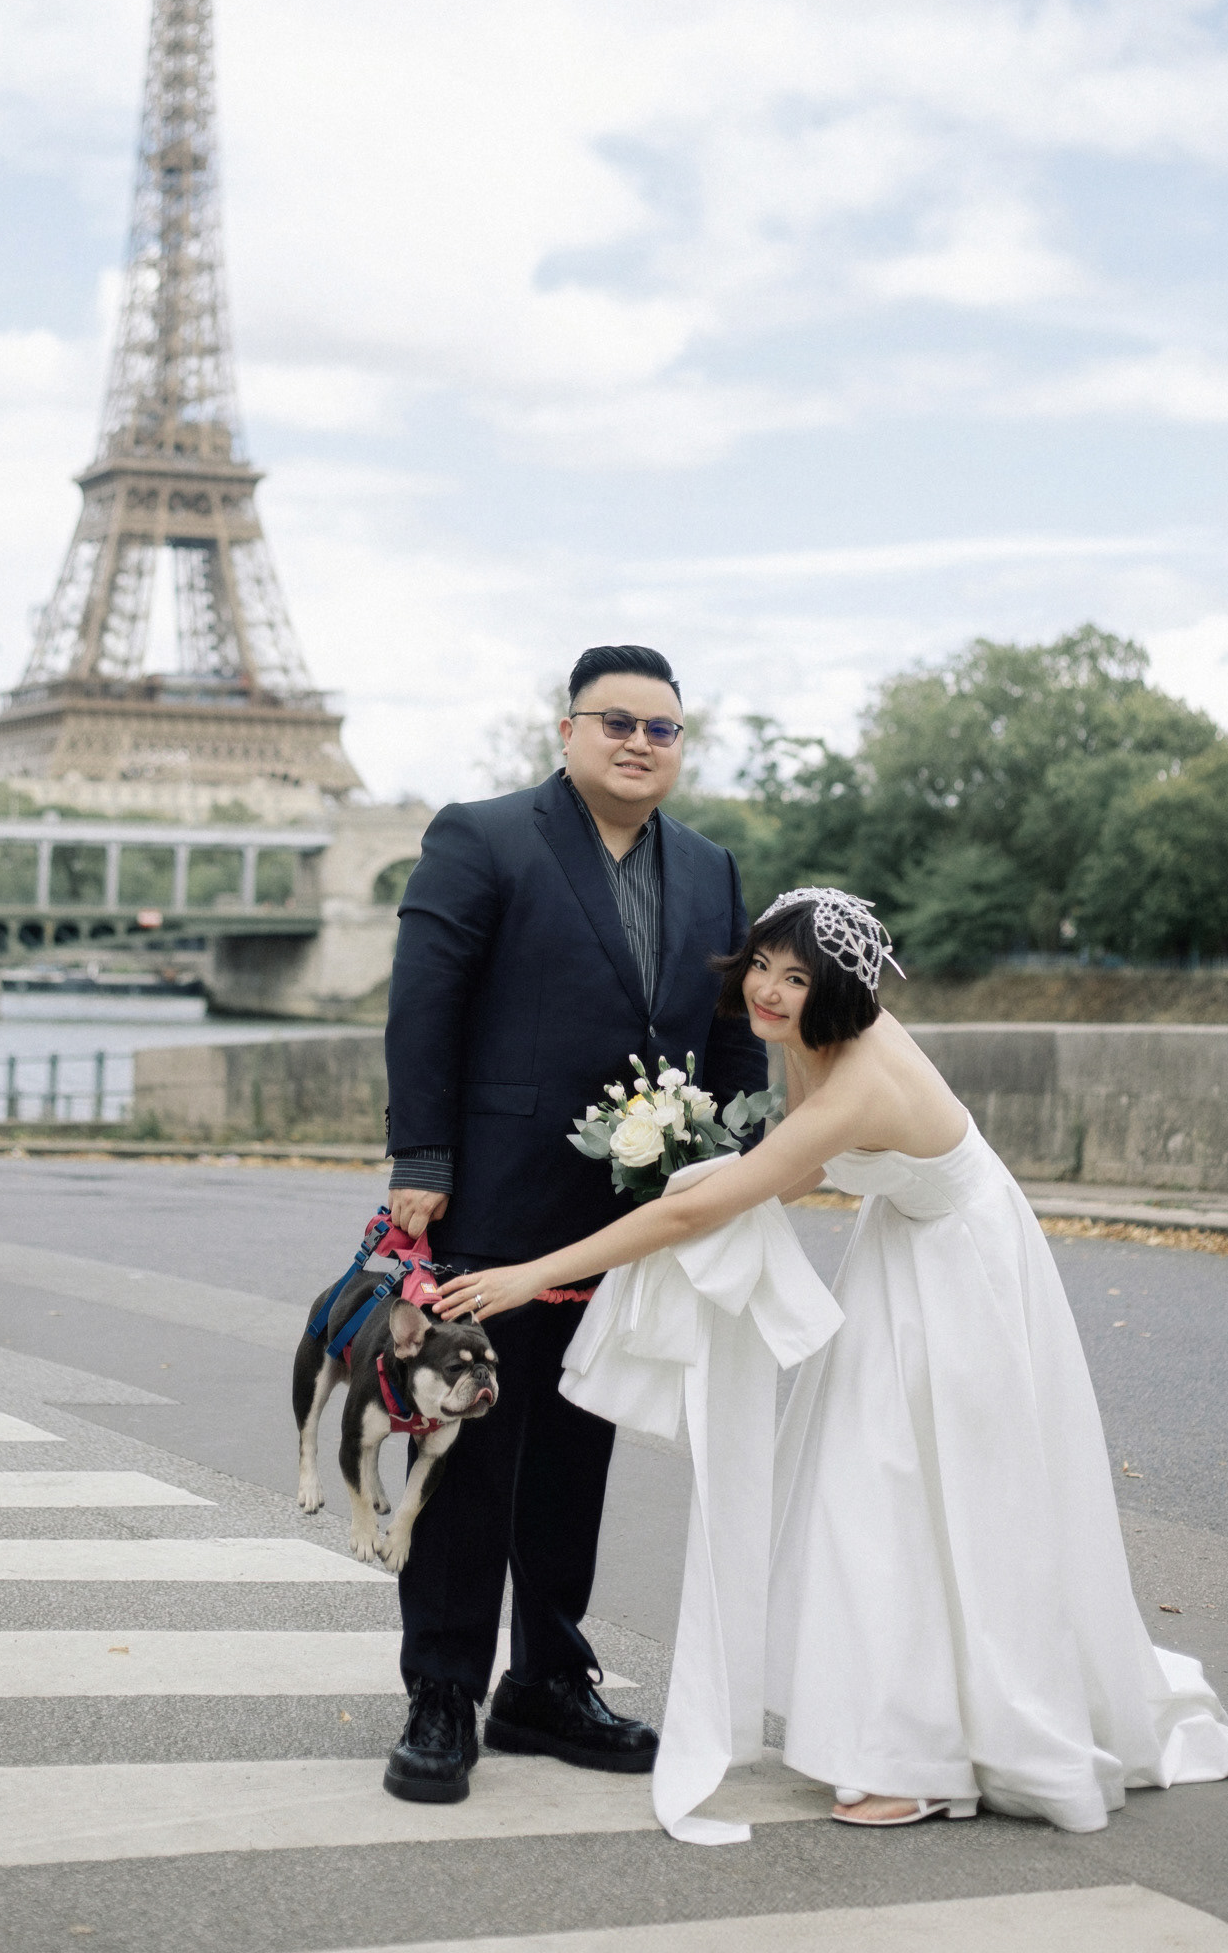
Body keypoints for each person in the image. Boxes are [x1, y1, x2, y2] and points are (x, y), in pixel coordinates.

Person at [436, 886, 1228, 1834]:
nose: (769, 992)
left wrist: (534, 1273)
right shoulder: (807, 1042)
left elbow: (730, 1196)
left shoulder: (862, 1072)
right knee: (866, 1490)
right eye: (761, 966)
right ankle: (908, 1731)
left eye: (797, 979)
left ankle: (930, 1754)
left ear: (839, 989)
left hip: (962, 1271)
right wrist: (705, 1190)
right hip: (901, 1248)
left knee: (933, 1499)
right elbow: (799, 1174)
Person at [380, 643, 768, 1804]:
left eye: (663, 727)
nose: (641, 742)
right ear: (568, 731)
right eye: (617, 721)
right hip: (494, 1202)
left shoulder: (710, 868)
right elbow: (425, 1002)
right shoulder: (484, 836)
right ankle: (442, 1691)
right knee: (464, 1450)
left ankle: (545, 1679)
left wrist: (731, 1160)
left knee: (574, 1453)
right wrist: (422, 1157)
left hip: (630, 1218)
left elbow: (731, 1028)